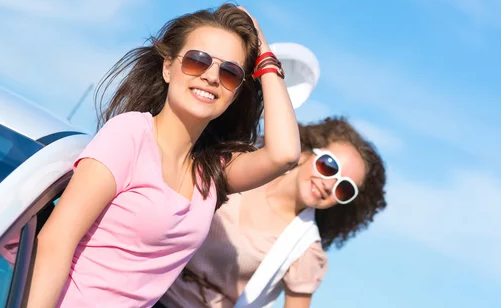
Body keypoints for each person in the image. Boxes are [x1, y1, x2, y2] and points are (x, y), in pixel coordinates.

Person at [26, 4, 301, 308]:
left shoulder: (210, 173)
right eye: (198, 61)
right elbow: (56, 242)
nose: (211, 77)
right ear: (168, 68)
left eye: (230, 72)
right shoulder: (130, 136)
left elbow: (285, 154)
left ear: (235, 93)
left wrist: (264, 54)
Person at [156, 117, 387, 308]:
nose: (329, 184)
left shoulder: (306, 251)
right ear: (306, 154)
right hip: (142, 283)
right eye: (329, 166)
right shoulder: (244, 165)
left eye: (344, 188)